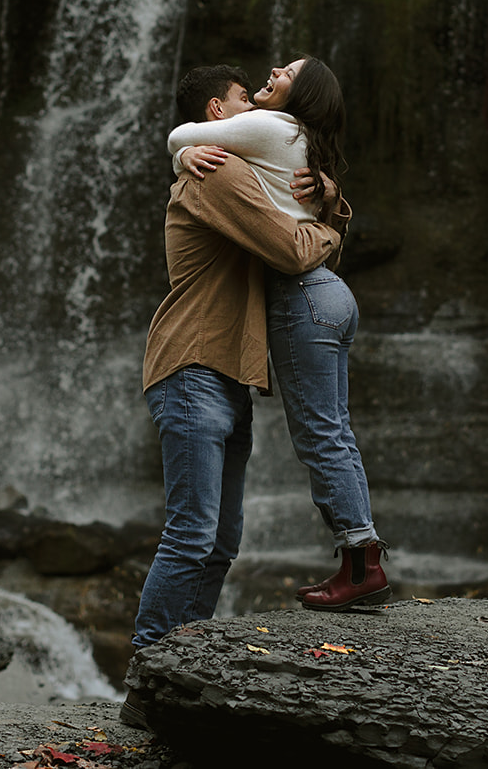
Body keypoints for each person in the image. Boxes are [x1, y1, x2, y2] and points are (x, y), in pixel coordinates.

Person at [130, 64, 349, 677]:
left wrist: (326, 196)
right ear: (218, 114)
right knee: (192, 536)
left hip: (228, 374)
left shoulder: (239, 171)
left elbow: (296, 239)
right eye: (243, 99)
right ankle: (147, 671)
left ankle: (179, 666)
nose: (257, 103)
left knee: (219, 543)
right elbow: (293, 249)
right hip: (194, 365)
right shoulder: (218, 171)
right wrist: (329, 222)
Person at [167, 57, 388, 613]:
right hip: (331, 296)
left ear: (303, 93)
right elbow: (313, 221)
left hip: (302, 296)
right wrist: (334, 217)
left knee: (318, 433)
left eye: (287, 69)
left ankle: (361, 562)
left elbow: (289, 252)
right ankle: (362, 558)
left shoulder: (270, 128)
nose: (272, 69)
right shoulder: (300, 145)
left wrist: (182, 150)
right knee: (334, 428)